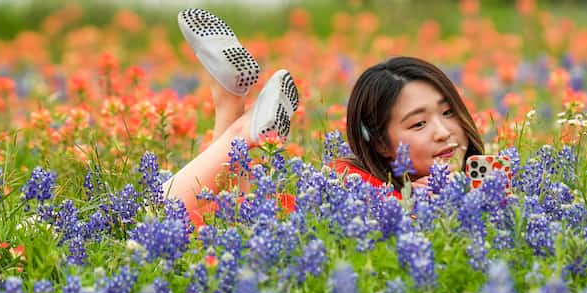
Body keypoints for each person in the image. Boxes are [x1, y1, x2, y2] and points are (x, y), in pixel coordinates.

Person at [164, 9, 484, 213]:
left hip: (250, 225)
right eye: (418, 124)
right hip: (290, 231)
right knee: (181, 215)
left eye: (447, 113)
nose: (443, 132)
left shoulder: (485, 176)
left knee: (225, 211)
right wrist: (417, 208)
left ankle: (230, 104)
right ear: (382, 144)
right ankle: (240, 130)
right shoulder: (359, 190)